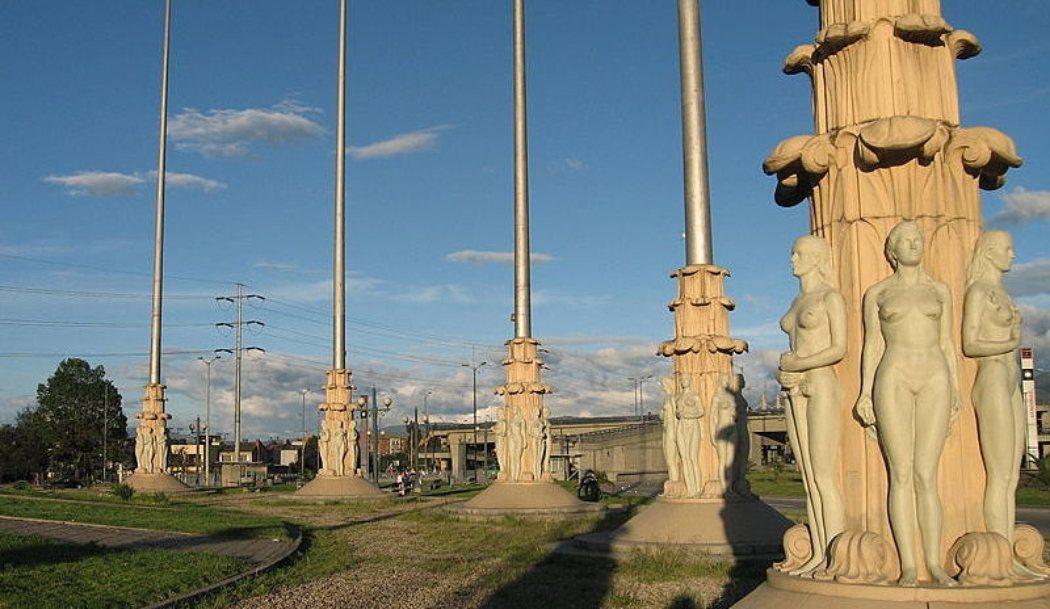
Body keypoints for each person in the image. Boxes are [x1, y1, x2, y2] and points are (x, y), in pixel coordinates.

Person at [855, 221, 959, 587]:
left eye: (918, 239)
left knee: (926, 475)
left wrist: (956, 389)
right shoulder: (879, 293)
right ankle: (909, 565)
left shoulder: (940, 290)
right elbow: (873, 345)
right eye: (906, 240)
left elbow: (947, 343)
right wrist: (866, 392)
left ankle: (934, 562)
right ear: (893, 251)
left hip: (935, 375)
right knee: (900, 473)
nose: (914, 244)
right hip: (894, 376)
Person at [778, 234, 847, 575]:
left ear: (817, 258)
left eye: (799, 254)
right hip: (794, 386)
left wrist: (797, 365)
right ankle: (819, 551)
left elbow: (838, 349)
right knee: (807, 475)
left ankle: (835, 552)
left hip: (820, 382)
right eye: (793, 253)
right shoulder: (796, 301)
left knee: (823, 473)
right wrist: (788, 372)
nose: (793, 259)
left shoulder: (830, 297)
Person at [963, 231, 1024, 546]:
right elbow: (970, 343)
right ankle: (998, 549)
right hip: (993, 377)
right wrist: (1011, 340)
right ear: (988, 252)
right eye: (1006, 249)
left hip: (1011, 375)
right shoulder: (979, 293)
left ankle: (1009, 549)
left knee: (1011, 475)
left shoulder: (1002, 294)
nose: (1012, 254)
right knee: (998, 474)